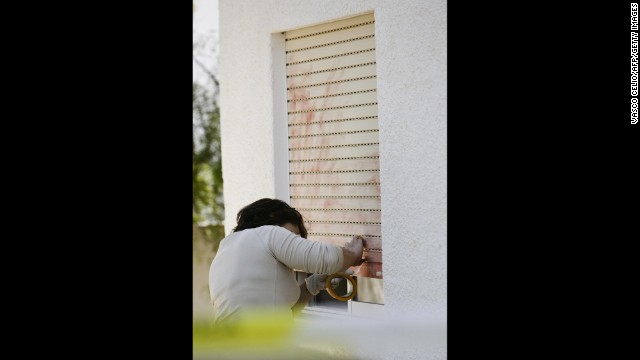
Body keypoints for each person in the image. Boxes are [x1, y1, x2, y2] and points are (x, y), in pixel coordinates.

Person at [209, 198, 364, 323]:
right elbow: (329, 259)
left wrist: (312, 285)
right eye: (293, 235)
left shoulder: (226, 249)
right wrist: (352, 252)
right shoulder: (268, 233)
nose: (294, 241)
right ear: (273, 220)